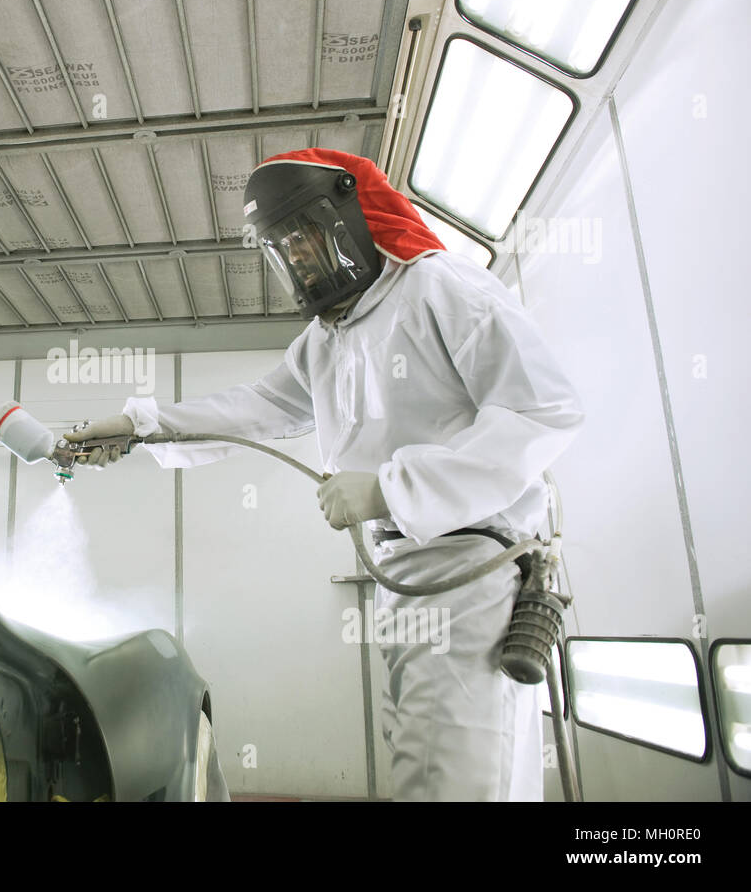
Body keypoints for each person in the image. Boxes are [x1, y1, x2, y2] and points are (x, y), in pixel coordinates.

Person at [64, 147, 583, 801]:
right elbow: (257, 408)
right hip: (404, 576)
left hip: (466, 570)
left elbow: (544, 408)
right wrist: (139, 426)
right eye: (282, 245)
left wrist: (393, 486)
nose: (297, 255)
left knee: (450, 784)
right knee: (429, 773)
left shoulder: (438, 285)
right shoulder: (328, 338)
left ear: (349, 215)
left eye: (303, 235)